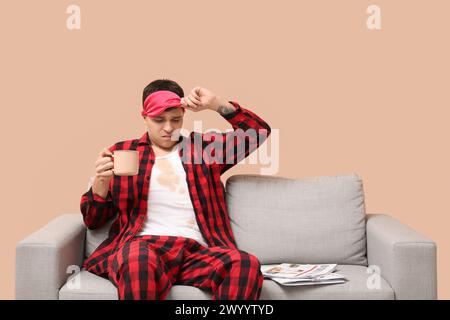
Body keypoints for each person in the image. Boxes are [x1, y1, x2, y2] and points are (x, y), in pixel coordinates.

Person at [80, 79, 271, 300]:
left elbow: (258, 132)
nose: (168, 128)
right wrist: (101, 184)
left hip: (197, 252)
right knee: (137, 262)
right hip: (143, 248)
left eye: (176, 119)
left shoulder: (205, 150)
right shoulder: (123, 153)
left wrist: (217, 103)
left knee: (245, 263)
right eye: (159, 120)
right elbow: (93, 221)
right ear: (144, 117)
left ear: (183, 115)